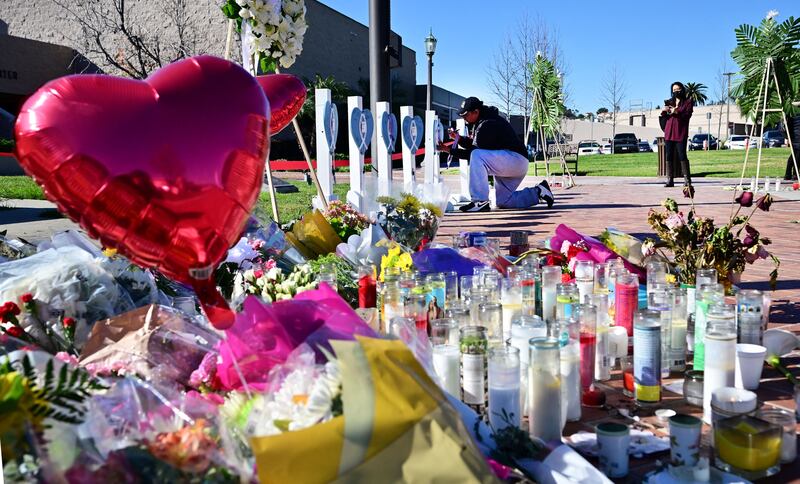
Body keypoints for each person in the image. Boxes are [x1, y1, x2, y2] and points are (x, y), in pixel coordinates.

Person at [438, 97, 554, 212]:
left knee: (477, 156)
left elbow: (472, 153)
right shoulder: (484, 120)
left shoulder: (488, 124)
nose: (464, 118)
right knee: (503, 201)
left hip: (515, 159)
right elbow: (475, 145)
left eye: (465, 115)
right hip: (512, 161)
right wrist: (457, 138)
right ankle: (539, 191)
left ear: (476, 112)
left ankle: (480, 201)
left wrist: (448, 150)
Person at [661, 82, 693, 188]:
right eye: (674, 90)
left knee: (682, 155)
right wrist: (664, 111)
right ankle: (670, 179)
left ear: (682, 89)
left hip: (680, 132)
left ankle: (687, 180)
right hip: (669, 132)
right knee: (669, 155)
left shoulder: (688, 102)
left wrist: (677, 111)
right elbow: (665, 116)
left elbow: (687, 116)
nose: (676, 92)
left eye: (678, 89)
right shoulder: (670, 102)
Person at [784, 114, 800, 181]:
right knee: (797, 155)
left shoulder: (791, 112)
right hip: (797, 135)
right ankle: (794, 174)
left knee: (795, 154)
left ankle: (789, 174)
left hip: (794, 135)